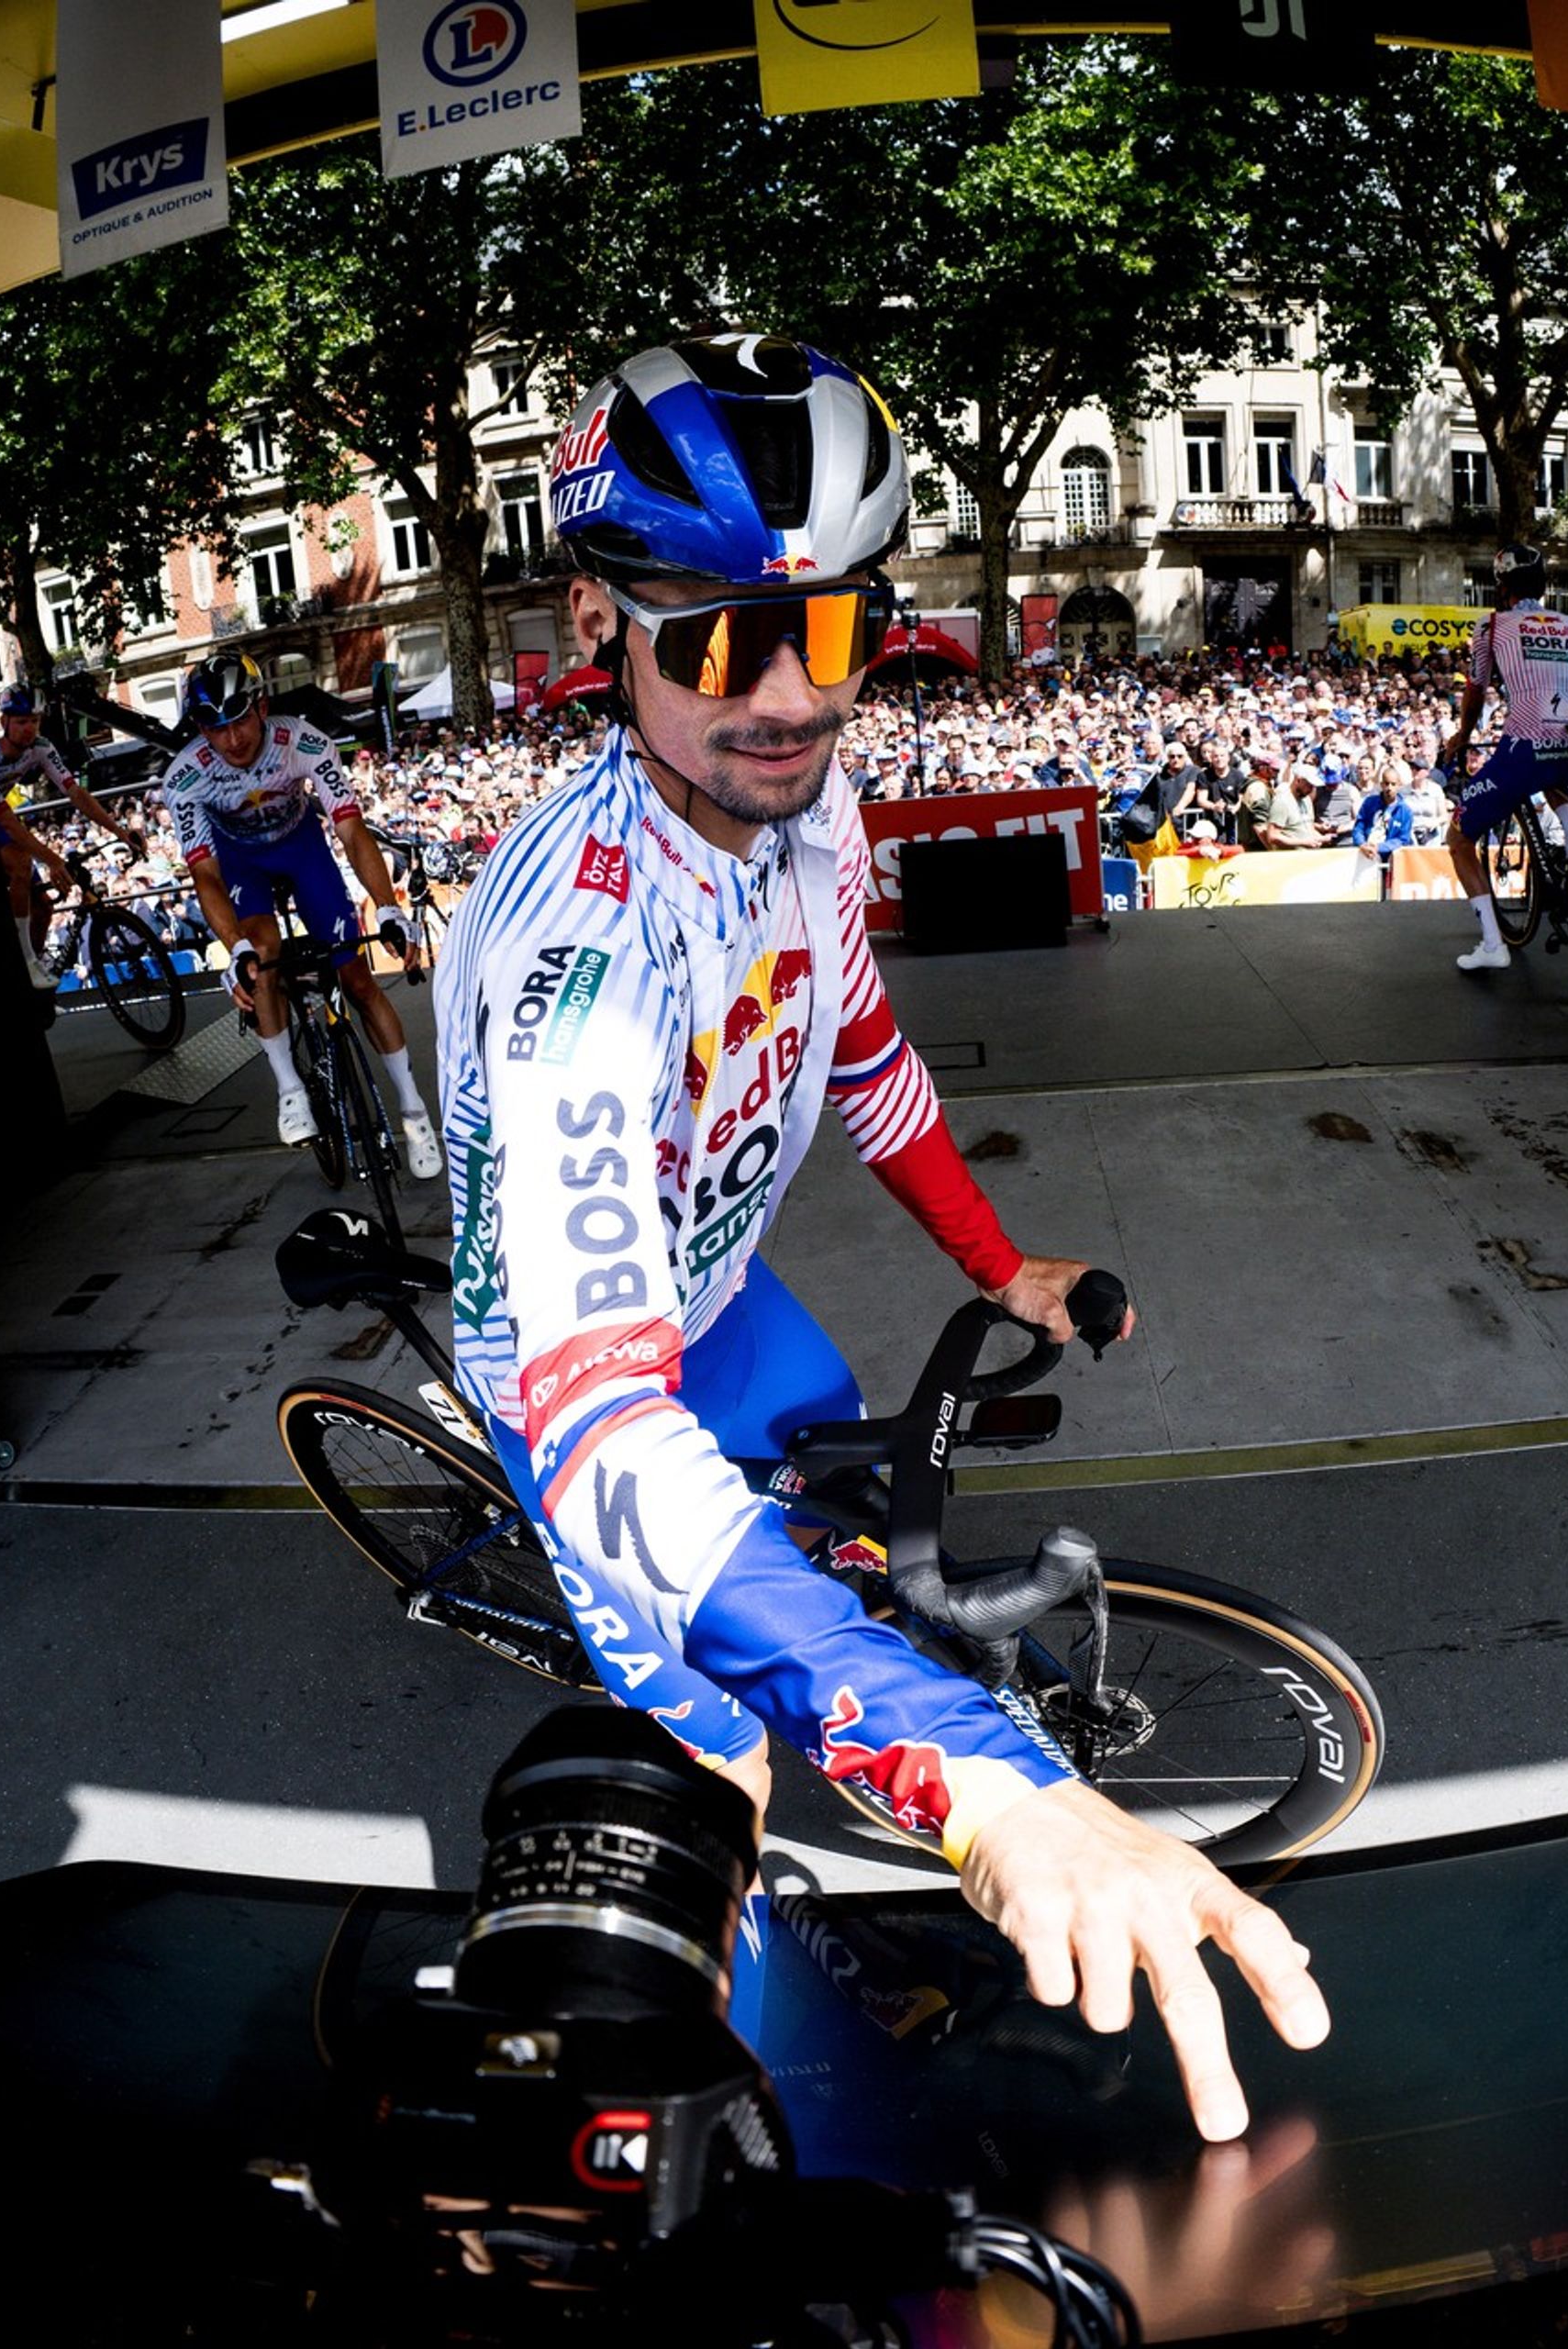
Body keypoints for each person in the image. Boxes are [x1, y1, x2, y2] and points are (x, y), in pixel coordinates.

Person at [439, 335, 1326, 2143]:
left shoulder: (814, 804)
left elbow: (863, 1047)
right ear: (603, 628)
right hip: (581, 1363)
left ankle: (799, 1638)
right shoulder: (577, 964)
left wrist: (994, 1260)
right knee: (727, 1743)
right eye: (711, 644)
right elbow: (610, 1429)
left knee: (838, 1449)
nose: (782, 699)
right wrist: (989, 1791)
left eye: (826, 635)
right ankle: (750, 2083)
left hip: (710, 1286)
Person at [157, 655, 439, 1170]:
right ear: (200, 729)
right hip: (241, 863)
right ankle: (290, 1089)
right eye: (216, 729)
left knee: (356, 976)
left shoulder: (304, 743)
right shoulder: (184, 779)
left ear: (262, 706)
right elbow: (206, 876)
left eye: (241, 719)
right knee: (261, 955)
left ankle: (414, 1113)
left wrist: (388, 908)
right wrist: (235, 948)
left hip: (302, 845)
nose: (233, 739)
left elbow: (351, 829)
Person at [1435, 545, 1568, 971]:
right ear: (1543, 587)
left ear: (1501, 586)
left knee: (1459, 839)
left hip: (1523, 748)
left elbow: (1476, 689)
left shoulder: (1491, 625)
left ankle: (1493, 945)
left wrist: (1462, 735)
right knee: (1556, 779)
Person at [0, 683, 145, 969]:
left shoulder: (41, 748)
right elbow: (7, 821)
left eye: (35, 721)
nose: (29, 729)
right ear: (3, 721)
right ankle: (26, 961)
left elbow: (77, 793)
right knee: (21, 864)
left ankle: (34, 981)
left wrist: (121, 831)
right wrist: (53, 860)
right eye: (21, 722)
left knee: (44, 907)